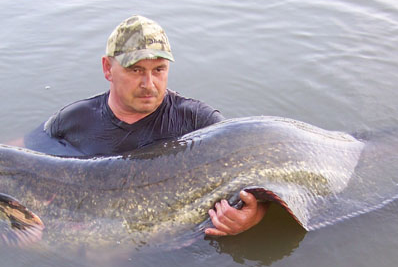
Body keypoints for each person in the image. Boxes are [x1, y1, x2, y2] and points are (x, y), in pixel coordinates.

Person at [23, 15, 267, 236]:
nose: (149, 84)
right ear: (108, 68)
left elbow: (258, 178)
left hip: (183, 247)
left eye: (159, 69)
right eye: (136, 70)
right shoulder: (72, 121)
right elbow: (24, 156)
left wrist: (254, 217)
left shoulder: (200, 123)